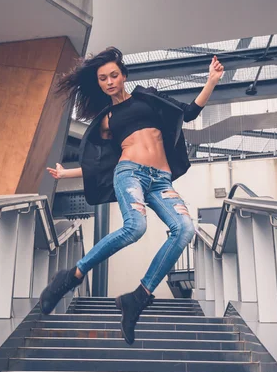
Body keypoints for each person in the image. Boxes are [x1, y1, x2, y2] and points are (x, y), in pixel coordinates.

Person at [40, 47, 224, 344]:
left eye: (114, 75)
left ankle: (138, 297)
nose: (110, 81)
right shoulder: (106, 120)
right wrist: (66, 174)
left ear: (124, 75)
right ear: (99, 84)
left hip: (160, 179)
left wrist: (211, 80)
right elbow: (101, 164)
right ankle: (72, 276)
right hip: (129, 173)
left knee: (184, 229)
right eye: (103, 78)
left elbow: (188, 113)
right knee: (135, 227)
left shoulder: (147, 98)